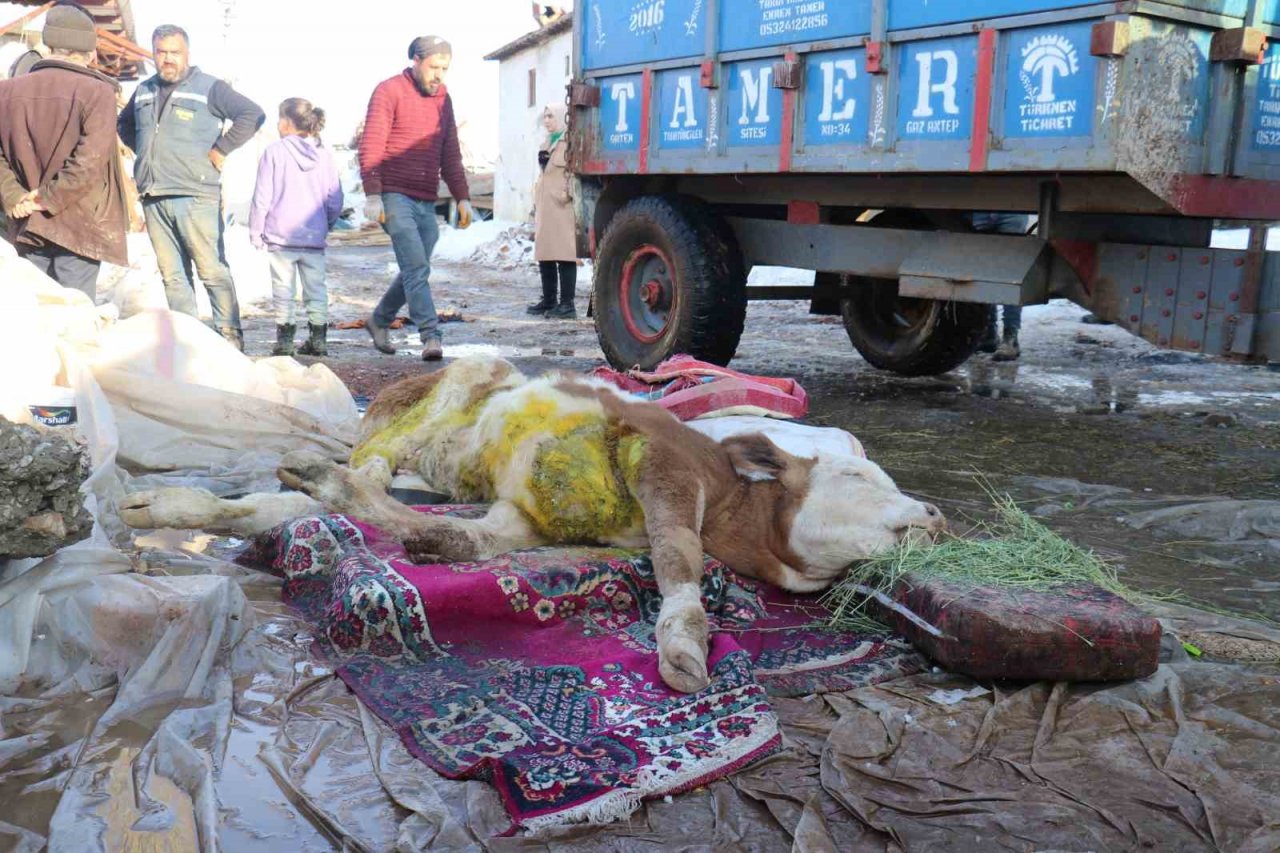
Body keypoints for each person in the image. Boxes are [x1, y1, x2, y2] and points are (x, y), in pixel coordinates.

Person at [118, 24, 265, 351]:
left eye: (174, 52)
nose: (167, 59)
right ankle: (189, 345)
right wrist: (146, 155)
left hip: (196, 195)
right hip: (154, 197)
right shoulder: (143, 90)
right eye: (161, 52)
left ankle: (230, 340)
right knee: (173, 277)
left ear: (187, 53)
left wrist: (221, 148)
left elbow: (252, 114)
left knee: (211, 270)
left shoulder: (210, 88)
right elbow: (125, 126)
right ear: (154, 53)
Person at [0, 3, 129, 298]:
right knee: (75, 319)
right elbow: (88, 162)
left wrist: (15, 196)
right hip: (78, 225)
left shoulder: (6, 91)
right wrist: (47, 198)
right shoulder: (98, 92)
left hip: (26, 222)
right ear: (88, 49)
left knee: (35, 313)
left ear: (49, 42)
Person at [360, 35, 474, 361]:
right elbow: (372, 144)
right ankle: (431, 336)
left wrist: (462, 197)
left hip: (426, 198)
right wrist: (373, 194)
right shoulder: (389, 91)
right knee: (416, 268)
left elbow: (450, 151)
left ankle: (378, 320)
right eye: (434, 67)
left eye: (445, 69)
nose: (439, 75)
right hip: (394, 196)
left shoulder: (443, 99)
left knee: (416, 268)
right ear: (415, 61)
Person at [249, 98, 343, 358]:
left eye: (279, 119)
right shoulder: (325, 156)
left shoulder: (274, 152)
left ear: (287, 123)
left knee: (283, 289)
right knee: (316, 289)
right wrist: (326, 223)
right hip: (313, 238)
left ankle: (285, 342)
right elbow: (335, 198)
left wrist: (256, 231)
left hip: (281, 238)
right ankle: (318, 340)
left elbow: (262, 196)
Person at [528, 104, 578, 319]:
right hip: (545, 206)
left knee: (565, 256)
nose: (547, 120)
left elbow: (575, 175)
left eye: (550, 116)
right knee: (545, 254)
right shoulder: (547, 143)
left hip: (562, 207)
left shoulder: (570, 144)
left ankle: (567, 305)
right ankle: (549, 300)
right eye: (545, 116)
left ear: (561, 117)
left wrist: (566, 195)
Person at [971, 212, 1031, 361]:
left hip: (1011, 208)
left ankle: (1010, 337)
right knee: (984, 270)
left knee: (1010, 274)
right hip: (983, 207)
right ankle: (990, 333)